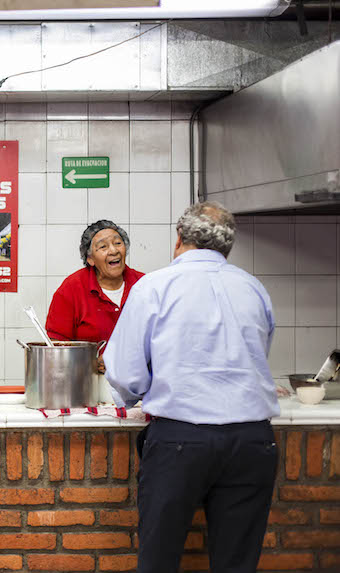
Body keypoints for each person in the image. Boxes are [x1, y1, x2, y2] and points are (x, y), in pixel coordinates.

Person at [104, 202, 280, 573]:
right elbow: (257, 354)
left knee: (159, 561)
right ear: (226, 247)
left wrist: (144, 393)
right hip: (253, 441)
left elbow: (125, 373)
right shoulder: (253, 288)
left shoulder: (153, 287)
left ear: (179, 239)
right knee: (237, 564)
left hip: (179, 440)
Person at [45, 220, 144, 347]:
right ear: (90, 258)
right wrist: (93, 361)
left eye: (118, 243)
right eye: (103, 247)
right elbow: (56, 346)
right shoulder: (71, 289)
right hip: (87, 367)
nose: (113, 251)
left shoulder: (144, 284)